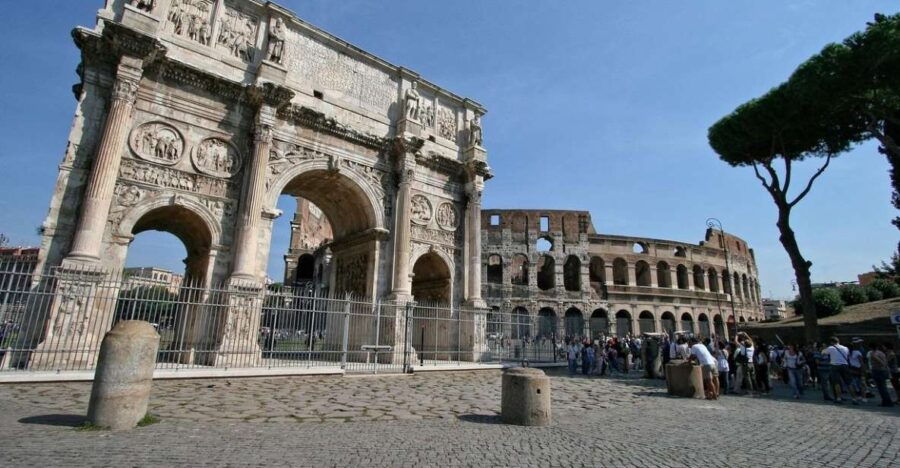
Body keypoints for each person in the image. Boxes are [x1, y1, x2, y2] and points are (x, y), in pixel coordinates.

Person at [823, 337, 856, 404]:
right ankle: (854, 398)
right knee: (849, 383)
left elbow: (823, 352)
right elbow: (848, 355)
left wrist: (825, 347)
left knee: (836, 383)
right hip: (845, 365)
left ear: (832, 342)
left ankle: (838, 398)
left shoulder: (831, 348)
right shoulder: (845, 348)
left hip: (835, 366)